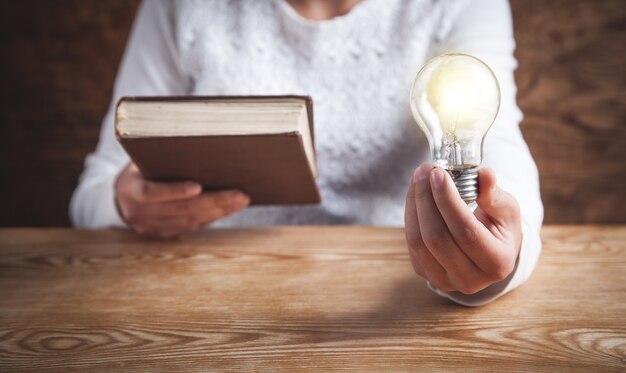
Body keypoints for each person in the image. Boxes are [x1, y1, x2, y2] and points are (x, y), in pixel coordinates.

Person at [71, 0, 543, 306]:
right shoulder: (180, 7)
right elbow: (95, 190)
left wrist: (506, 254)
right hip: (207, 295)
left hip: (388, 296)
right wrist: (122, 203)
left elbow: (496, 138)